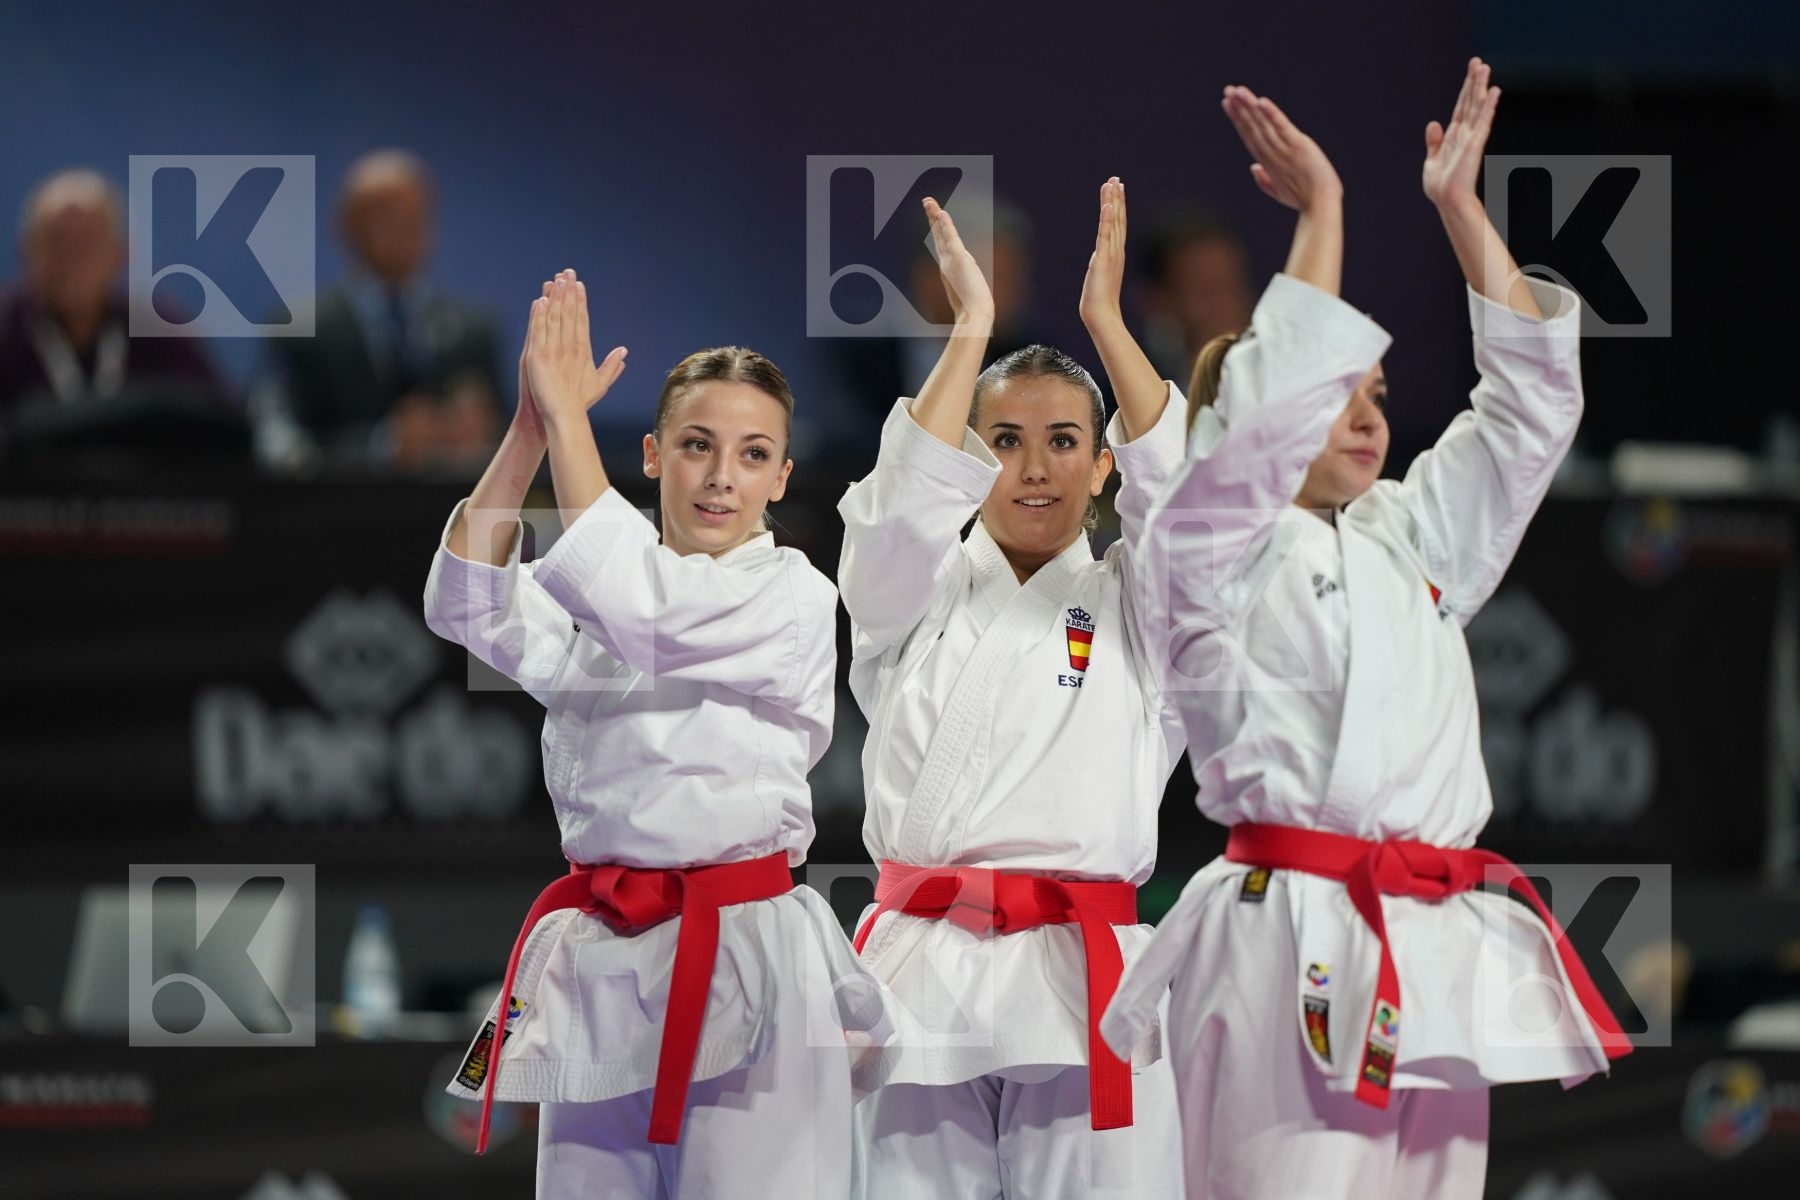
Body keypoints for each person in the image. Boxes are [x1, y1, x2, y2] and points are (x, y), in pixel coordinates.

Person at [1099, 64, 1632, 1199]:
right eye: (1338, 392)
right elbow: (1260, 424)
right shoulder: (1204, 547)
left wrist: (1460, 211)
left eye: (1380, 393)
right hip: (1282, 933)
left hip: (1432, 941)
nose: (1367, 413)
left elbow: (1533, 407)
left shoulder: (1412, 537)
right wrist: (1325, 214)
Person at [422, 269, 883, 1198]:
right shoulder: (601, 591)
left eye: (754, 455)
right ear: (651, 454)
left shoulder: (792, 591)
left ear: (783, 475)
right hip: (602, 959)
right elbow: (463, 602)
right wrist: (530, 429)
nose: (722, 476)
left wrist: (569, 424)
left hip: (747, 957)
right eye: (697, 446)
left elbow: (649, 611)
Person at [837, 180, 1189, 1197]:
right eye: (1005, 440)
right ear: (967, 458)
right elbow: (897, 512)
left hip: (1088, 982)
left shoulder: (1142, 606)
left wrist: (1108, 327)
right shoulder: (913, 595)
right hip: (920, 976)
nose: (1035, 468)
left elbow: (1190, 523)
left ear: (1105, 466)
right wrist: (971, 329)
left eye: (1064, 440)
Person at [259, 150, 501, 473]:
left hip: (455, 514)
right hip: (342, 515)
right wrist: (383, 446)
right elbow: (279, 449)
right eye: (386, 219)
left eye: (416, 219)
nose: (405, 234)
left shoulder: (473, 333)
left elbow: (513, 438)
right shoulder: (299, 331)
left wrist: (480, 439)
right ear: (347, 228)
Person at [0, 168, 226, 456]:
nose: (71, 259)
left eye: (87, 242)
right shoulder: (5, 327)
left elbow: (217, 424)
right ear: (25, 250)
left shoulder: (160, 330)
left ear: (122, 252)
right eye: (55, 241)